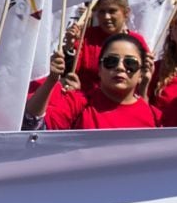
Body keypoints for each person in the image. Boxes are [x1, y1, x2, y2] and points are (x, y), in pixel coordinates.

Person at [32, 31, 164, 130]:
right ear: (99, 69)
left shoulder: (154, 117)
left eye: (130, 63)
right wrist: (51, 80)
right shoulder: (78, 104)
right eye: (111, 61)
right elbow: (34, 127)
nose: (120, 67)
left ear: (141, 73)